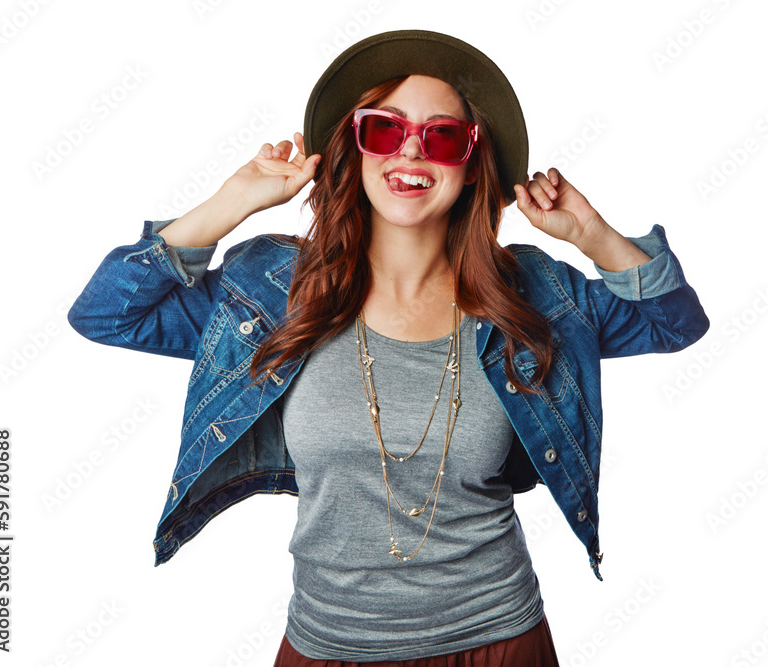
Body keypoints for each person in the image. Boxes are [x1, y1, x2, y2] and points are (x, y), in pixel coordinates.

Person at [68, 29, 709, 666]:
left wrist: (593, 234)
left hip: (498, 642)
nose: (410, 151)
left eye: (443, 136)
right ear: (354, 145)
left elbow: (673, 322)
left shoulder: (534, 297)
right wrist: (231, 203)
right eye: (384, 129)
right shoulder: (272, 296)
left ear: (470, 161)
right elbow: (105, 313)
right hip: (328, 644)